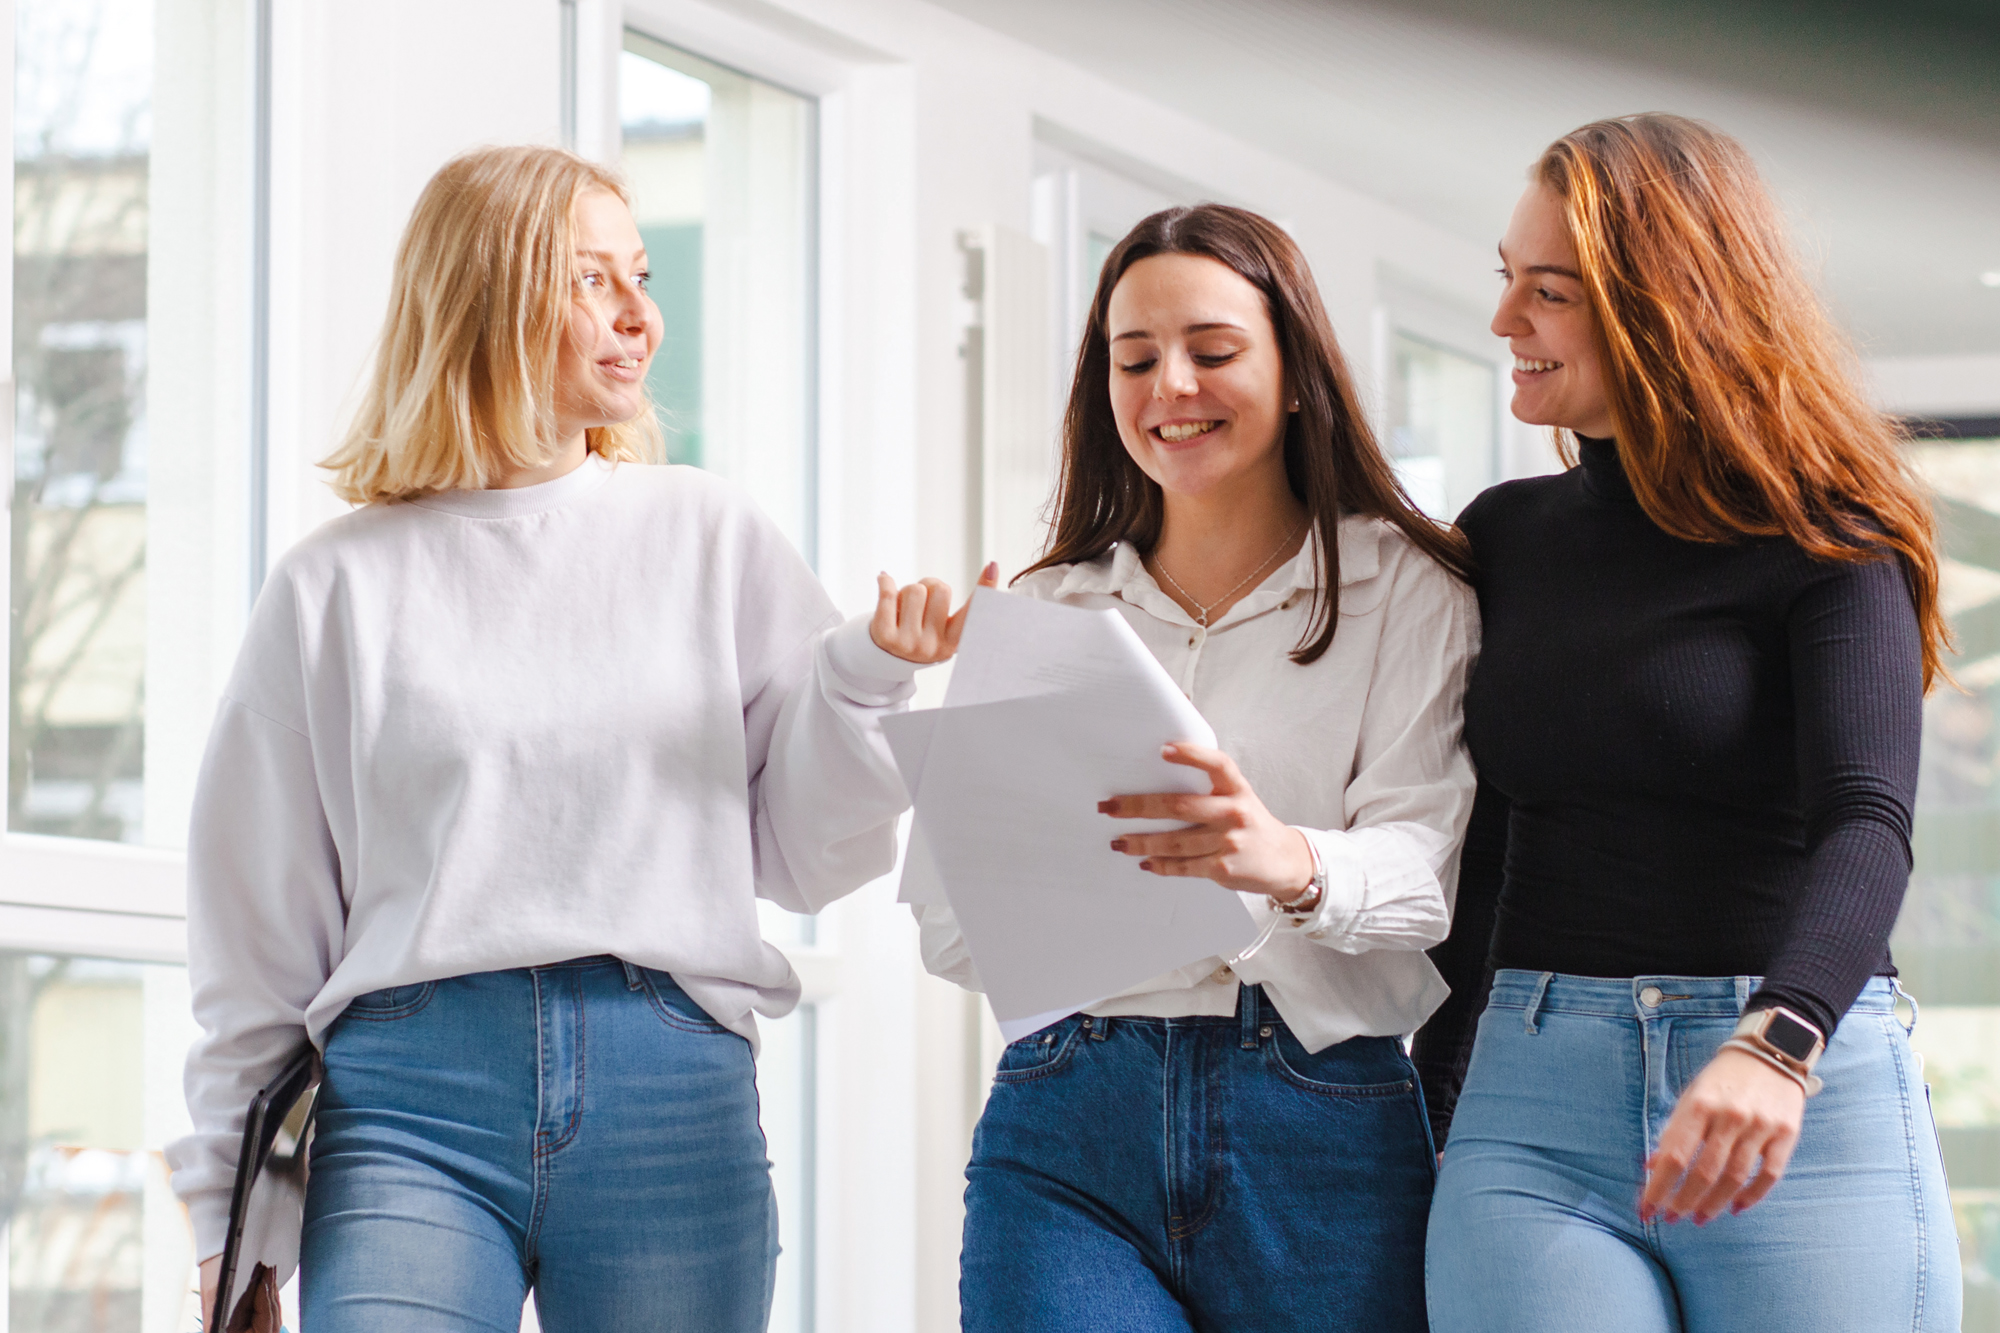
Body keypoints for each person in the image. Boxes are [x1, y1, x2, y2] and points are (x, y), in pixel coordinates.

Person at [166, 144, 988, 1333]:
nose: (640, 316)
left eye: (639, 277)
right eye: (590, 279)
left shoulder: (707, 533)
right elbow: (253, 929)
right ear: (487, 293)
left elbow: (803, 854)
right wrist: (228, 1220)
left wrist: (861, 680)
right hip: (406, 1098)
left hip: (667, 1090)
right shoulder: (331, 586)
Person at [1415, 113, 1960, 1332]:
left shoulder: (1828, 537)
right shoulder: (1502, 536)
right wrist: (1426, 1096)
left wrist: (1780, 1040)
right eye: (1506, 282)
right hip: (1529, 1100)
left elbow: (1866, 822)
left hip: (1792, 1098)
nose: (1504, 322)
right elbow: (1486, 849)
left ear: (1667, 306)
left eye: (1546, 292)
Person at [918, 204, 1478, 1332]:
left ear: (1295, 372)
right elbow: (949, 929)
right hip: (1069, 1112)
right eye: (1134, 359)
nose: (1169, 385)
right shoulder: (1045, 609)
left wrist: (1286, 862)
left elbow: (1428, 878)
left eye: (1211, 352)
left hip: (1318, 1119)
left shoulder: (1409, 587)